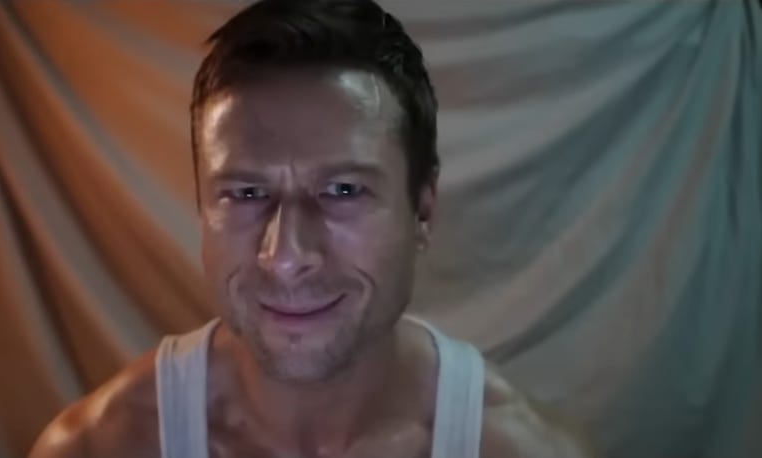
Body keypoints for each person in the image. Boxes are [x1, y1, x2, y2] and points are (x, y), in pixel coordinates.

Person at [30, 1, 596, 456]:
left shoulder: (521, 450)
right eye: (246, 194)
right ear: (202, 210)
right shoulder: (98, 448)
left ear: (422, 211)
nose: (286, 256)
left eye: (343, 191)